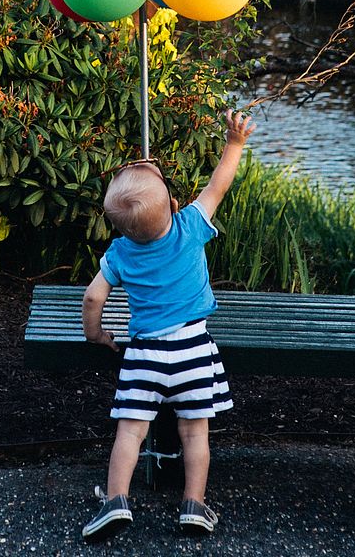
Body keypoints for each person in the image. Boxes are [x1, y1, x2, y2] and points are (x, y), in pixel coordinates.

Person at [81, 110, 256, 542]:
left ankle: (116, 501)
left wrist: (97, 334)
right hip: (194, 349)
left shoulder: (121, 252)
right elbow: (219, 185)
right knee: (195, 432)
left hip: (144, 353)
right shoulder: (191, 226)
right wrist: (233, 144)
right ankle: (193, 506)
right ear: (174, 205)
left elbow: (92, 298)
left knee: (131, 430)